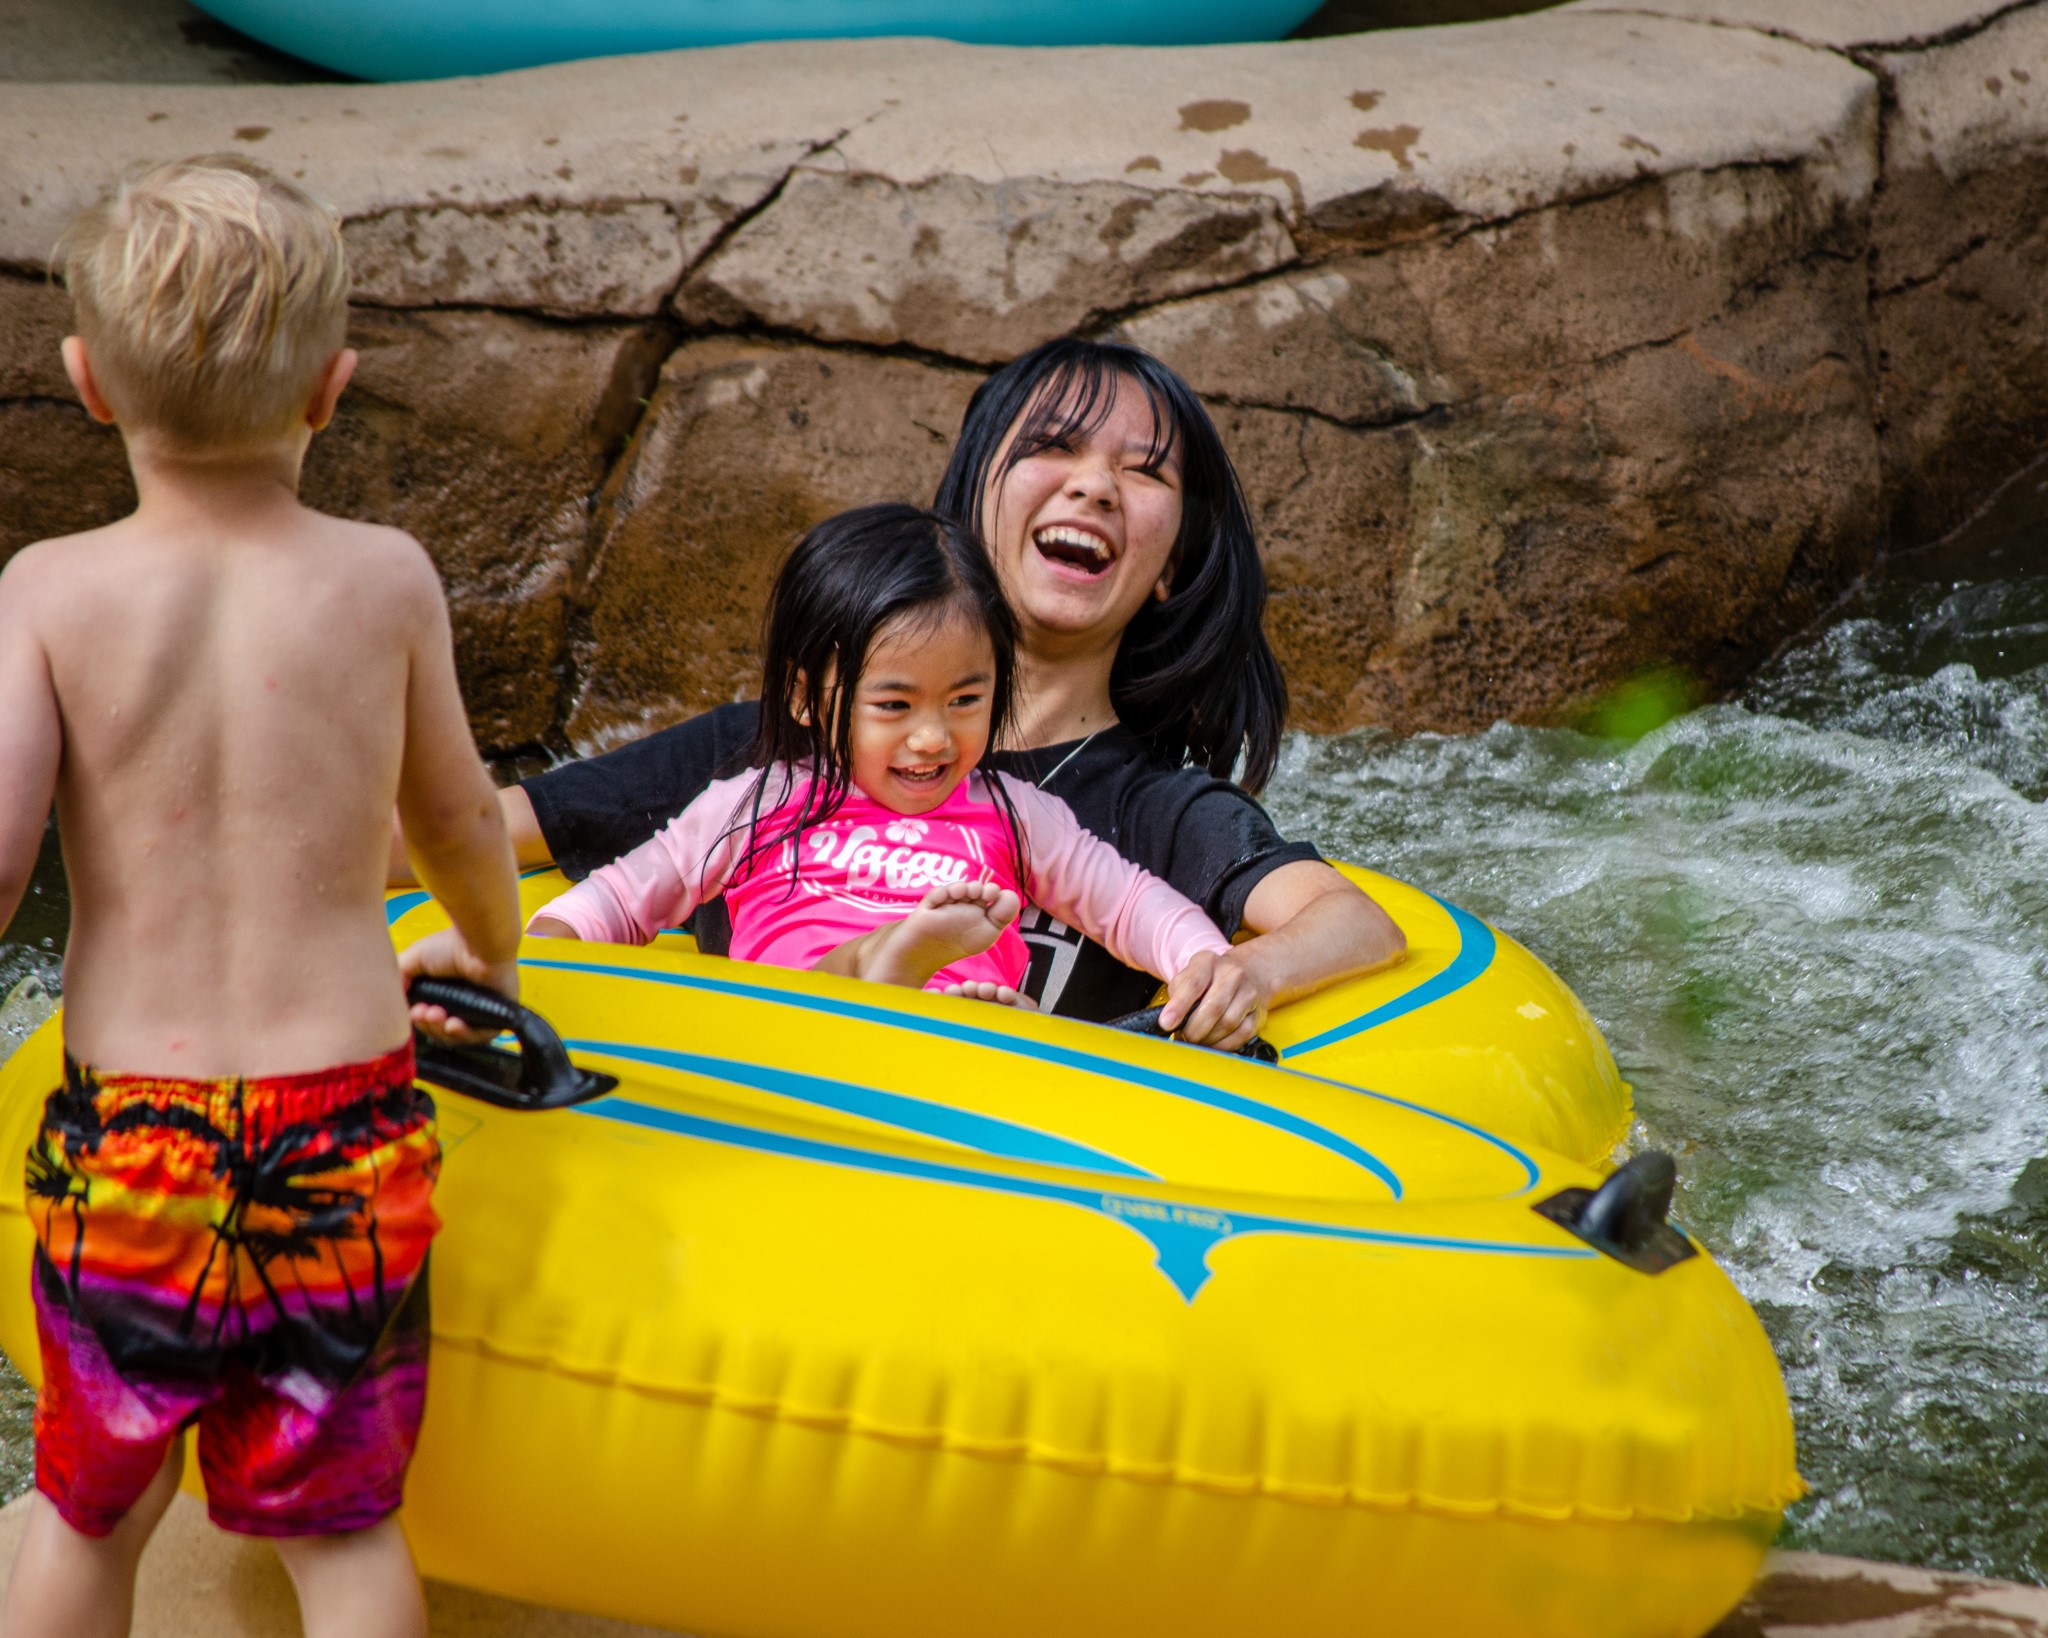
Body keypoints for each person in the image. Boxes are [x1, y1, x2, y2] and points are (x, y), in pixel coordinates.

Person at [0, 156, 521, 1638]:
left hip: (131, 1143)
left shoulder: (47, 589)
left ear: (87, 383)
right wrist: (501, 955)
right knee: (345, 1531)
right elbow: (461, 817)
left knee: (89, 1512)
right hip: (340, 1130)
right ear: (334, 387)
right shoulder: (386, 579)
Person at [408, 338, 1406, 1044]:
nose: (1093, 487)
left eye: (1142, 472)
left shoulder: (1155, 811)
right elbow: (475, 839)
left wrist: (1244, 975)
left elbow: (1354, 920)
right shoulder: (764, 755)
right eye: (1052, 447)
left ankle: (918, 982)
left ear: (1172, 566)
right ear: (970, 498)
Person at [529, 503, 1263, 1039]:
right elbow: (625, 899)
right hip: (784, 1026)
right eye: (894, 704)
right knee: (815, 990)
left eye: (966, 699)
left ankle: (950, 997)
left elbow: (1129, 903)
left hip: (956, 1041)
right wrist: (544, 956)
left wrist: (1203, 962)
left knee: (1001, 1018)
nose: (933, 736)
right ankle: (879, 964)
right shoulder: (756, 799)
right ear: (805, 698)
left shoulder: (1013, 810)